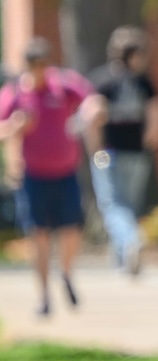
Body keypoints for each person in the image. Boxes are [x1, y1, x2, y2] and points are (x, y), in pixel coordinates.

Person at [0, 39, 102, 316]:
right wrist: (16, 125)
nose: (40, 72)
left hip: (65, 172)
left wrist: (93, 110)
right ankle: (44, 296)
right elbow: (2, 128)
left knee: (72, 229)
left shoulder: (63, 85)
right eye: (35, 67)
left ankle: (66, 273)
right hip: (33, 176)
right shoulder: (15, 93)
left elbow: (90, 98)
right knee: (39, 235)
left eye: (43, 66)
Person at [87, 26, 158, 277]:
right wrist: (148, 143)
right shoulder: (144, 82)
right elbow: (157, 118)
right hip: (136, 152)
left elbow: (93, 118)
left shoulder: (101, 80)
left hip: (108, 153)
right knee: (127, 206)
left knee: (112, 206)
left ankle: (132, 241)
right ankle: (122, 262)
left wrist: (95, 151)